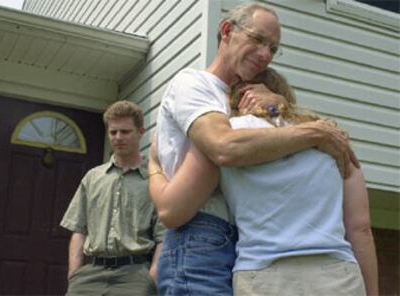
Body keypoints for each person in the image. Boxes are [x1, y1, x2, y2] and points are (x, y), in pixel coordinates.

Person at [152, 2, 359, 295]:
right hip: (200, 233)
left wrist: (279, 107)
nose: (265, 55)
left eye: (273, 49)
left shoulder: (241, 99)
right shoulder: (194, 84)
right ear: (227, 31)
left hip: (241, 238)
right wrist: (314, 132)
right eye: (258, 39)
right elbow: (224, 148)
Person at [60, 100, 166, 296]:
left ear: (140, 132)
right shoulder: (93, 178)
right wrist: (74, 274)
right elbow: (78, 229)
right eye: (113, 132)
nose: (118, 137)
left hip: (135, 277)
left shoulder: (155, 178)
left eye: (125, 132)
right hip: (89, 277)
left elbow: (163, 236)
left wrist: (152, 278)